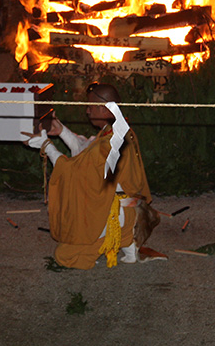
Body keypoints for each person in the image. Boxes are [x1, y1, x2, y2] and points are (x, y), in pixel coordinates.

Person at [24, 83, 155, 269]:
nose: (87, 111)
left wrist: (46, 146)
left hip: (112, 212)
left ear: (103, 109)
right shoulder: (116, 129)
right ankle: (128, 243)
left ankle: (123, 236)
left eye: (90, 106)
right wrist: (62, 132)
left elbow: (75, 169)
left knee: (66, 256)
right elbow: (88, 152)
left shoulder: (114, 140)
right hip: (116, 205)